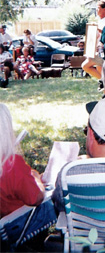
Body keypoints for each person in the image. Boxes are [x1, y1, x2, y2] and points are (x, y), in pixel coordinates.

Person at [0, 103, 57, 247]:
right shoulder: (12, 165)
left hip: (4, 222)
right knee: (54, 197)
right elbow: (36, 198)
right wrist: (37, 179)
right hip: (17, 226)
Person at [82, 0, 105, 90]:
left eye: (98, 8)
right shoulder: (99, 20)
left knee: (85, 66)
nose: (96, 10)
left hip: (103, 50)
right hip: (97, 50)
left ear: (104, 9)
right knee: (100, 71)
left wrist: (96, 28)